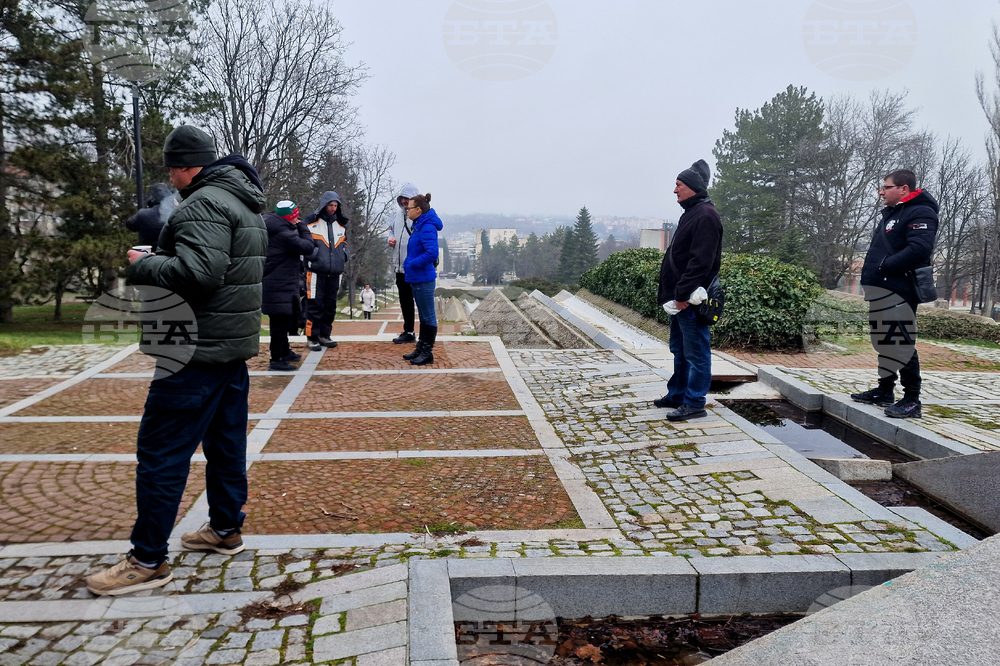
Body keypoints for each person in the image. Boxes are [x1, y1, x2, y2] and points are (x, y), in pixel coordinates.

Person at [85, 125, 267, 596]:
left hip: (192, 349)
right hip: (227, 347)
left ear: (187, 167)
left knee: (161, 454)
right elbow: (225, 271)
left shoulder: (204, 203)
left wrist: (142, 261)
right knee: (226, 446)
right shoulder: (242, 202)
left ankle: (146, 558)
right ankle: (225, 529)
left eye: (172, 168)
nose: (170, 176)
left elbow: (199, 275)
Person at [851, 170, 939, 419]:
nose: (881, 191)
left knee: (901, 343)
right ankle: (885, 390)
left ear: (903, 188)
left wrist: (885, 266)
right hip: (882, 289)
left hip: (898, 289)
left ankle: (912, 400)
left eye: (886, 187)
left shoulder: (921, 212)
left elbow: (920, 249)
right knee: (884, 340)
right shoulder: (894, 213)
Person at [654, 160, 723, 422]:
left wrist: (682, 295)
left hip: (689, 301)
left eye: (679, 185)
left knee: (696, 353)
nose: (675, 190)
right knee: (680, 350)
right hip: (680, 299)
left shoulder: (705, 215)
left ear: (692, 187)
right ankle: (678, 394)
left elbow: (701, 262)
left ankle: (694, 402)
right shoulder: (693, 212)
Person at [263, 201, 318, 371]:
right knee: (279, 324)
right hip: (279, 285)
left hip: (280, 284)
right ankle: (276, 359)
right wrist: (303, 227)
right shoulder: (284, 235)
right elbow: (308, 247)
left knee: (284, 321)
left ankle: (284, 351)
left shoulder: (274, 227)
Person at [303, 191, 349, 352]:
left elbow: (344, 244)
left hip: (335, 272)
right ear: (324, 205)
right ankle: (312, 337)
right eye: (331, 205)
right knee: (315, 304)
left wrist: (344, 255)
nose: (333, 208)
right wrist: (314, 256)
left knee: (330, 306)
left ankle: (325, 334)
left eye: (336, 205)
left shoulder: (340, 225)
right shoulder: (310, 223)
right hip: (315, 272)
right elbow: (304, 245)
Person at [402, 193, 442, 366]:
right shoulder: (420, 224)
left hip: (423, 278)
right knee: (424, 317)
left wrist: (412, 265)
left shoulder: (427, 227)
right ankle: (421, 348)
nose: (407, 210)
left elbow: (432, 252)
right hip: (418, 278)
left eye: (409, 208)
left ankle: (427, 352)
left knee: (428, 316)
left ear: (418, 210)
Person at [388, 183, 420, 344]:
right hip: (399, 266)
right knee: (405, 300)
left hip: (414, 266)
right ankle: (409, 331)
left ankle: (426, 335)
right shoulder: (398, 216)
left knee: (420, 301)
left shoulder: (419, 216)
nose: (405, 202)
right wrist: (390, 239)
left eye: (408, 199)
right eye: (403, 199)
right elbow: (392, 230)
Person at [125, 182, 175, 250]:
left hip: (149, 253)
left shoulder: (143, 213)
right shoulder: (176, 212)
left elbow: (130, 224)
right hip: (171, 253)